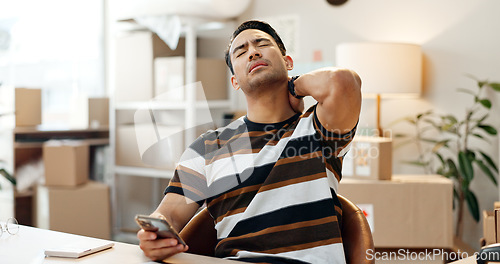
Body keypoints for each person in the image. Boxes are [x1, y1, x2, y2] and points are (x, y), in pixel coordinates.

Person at [137, 20, 362, 264]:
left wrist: (294, 86)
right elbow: (168, 213)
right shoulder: (208, 147)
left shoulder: (318, 129)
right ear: (235, 81)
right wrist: (152, 236)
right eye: (241, 52)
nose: (252, 52)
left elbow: (343, 81)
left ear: (287, 62)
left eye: (261, 44)